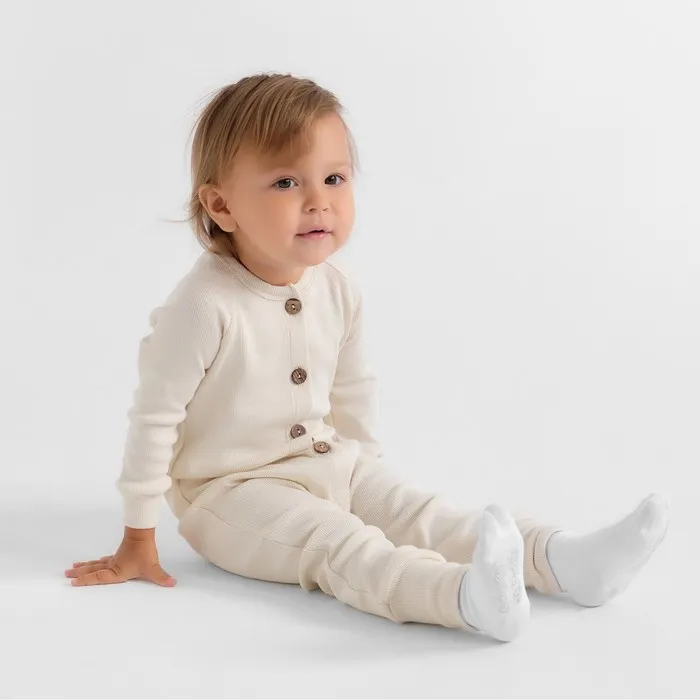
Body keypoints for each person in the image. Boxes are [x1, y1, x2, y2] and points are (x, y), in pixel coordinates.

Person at [64, 73, 670, 643]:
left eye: (334, 179)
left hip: (328, 461)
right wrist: (138, 534)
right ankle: (463, 598)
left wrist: (366, 478)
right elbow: (155, 418)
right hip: (230, 492)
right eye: (285, 183)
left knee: (421, 514)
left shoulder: (337, 286)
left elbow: (352, 389)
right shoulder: (204, 305)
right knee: (338, 543)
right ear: (222, 206)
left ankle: (565, 561)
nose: (318, 202)